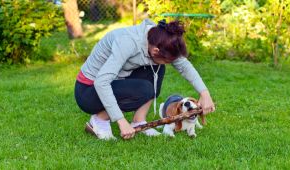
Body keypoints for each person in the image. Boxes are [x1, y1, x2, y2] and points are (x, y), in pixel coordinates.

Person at [74, 19, 215, 140]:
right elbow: (101, 82)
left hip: (115, 81)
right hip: (88, 90)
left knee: (158, 67)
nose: (172, 63)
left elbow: (183, 65)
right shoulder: (128, 42)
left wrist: (204, 93)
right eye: (168, 60)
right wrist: (121, 121)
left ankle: (139, 121)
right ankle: (99, 120)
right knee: (144, 88)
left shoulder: (160, 39)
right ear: (155, 51)